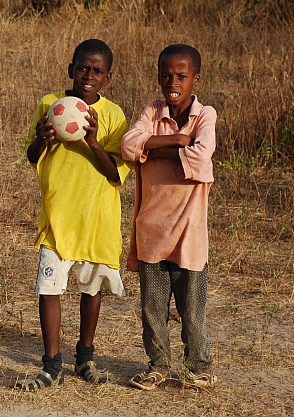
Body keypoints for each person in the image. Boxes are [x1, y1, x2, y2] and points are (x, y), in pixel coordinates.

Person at [18, 39, 132, 391]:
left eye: (97, 71)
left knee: (91, 288)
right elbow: (32, 157)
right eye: (83, 68)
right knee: (49, 289)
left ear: (107, 78)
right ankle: (52, 364)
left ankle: (85, 358)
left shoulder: (113, 117)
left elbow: (116, 175)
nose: (88, 75)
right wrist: (41, 139)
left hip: (96, 220)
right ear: (71, 69)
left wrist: (93, 140)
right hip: (58, 218)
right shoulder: (50, 104)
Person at [122, 44, 217, 391]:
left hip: (190, 232)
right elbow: (130, 145)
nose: (172, 82)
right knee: (153, 308)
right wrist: (177, 139)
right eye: (166, 75)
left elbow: (201, 156)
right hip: (153, 227)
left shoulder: (205, 115)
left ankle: (198, 365)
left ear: (196, 79)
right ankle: (159, 364)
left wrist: (154, 149)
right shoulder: (153, 109)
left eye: (181, 76)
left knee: (192, 309)